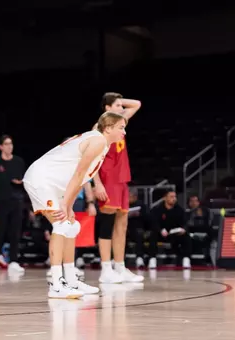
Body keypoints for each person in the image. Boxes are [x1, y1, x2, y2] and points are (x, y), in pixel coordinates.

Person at [23, 112, 126, 298]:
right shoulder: (98, 142)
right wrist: (65, 203)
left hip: (54, 183)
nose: (124, 132)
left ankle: (71, 280)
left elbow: (81, 178)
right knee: (61, 224)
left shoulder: (100, 144)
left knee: (71, 225)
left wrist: (68, 205)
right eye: (121, 127)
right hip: (41, 179)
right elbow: (79, 173)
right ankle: (55, 284)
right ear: (108, 128)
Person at [93, 93, 144, 284]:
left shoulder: (121, 122)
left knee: (122, 224)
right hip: (107, 179)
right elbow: (91, 159)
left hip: (122, 179)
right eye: (116, 105)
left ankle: (120, 266)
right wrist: (97, 183)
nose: (121, 108)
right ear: (107, 108)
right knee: (107, 224)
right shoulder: (98, 129)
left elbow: (137, 103)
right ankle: (106, 269)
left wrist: (118, 101)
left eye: (121, 105)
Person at [0, 135, 27, 273]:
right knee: (0, 232)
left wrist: (21, 183)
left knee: (15, 232)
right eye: (7, 144)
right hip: (1, 202)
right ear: (1, 146)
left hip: (17, 201)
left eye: (11, 144)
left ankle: (14, 261)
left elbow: (25, 180)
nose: (10, 146)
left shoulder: (19, 161)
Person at [149, 190, 191, 269]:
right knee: (153, 234)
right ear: (165, 198)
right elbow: (154, 223)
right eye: (171, 197)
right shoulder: (157, 209)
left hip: (175, 234)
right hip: (161, 233)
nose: (174, 199)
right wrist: (160, 230)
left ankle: (186, 258)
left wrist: (183, 229)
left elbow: (185, 222)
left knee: (186, 235)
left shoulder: (179, 210)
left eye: (175, 197)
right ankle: (152, 259)